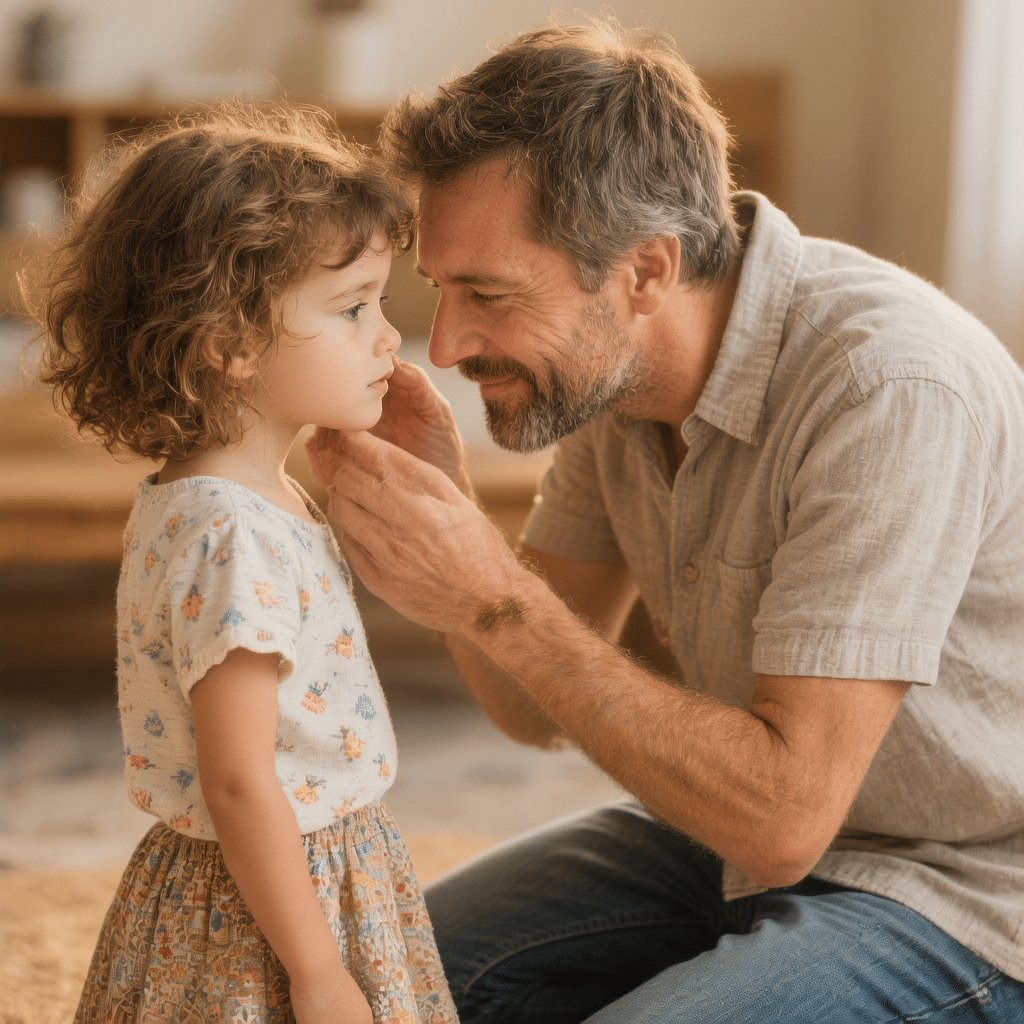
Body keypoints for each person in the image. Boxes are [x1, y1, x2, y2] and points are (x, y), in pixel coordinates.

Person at [305, 17, 1024, 1024]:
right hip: (730, 839)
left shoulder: (886, 384)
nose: (450, 341)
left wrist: (496, 593)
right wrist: (444, 514)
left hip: (965, 886)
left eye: (489, 293)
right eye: (440, 288)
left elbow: (781, 816)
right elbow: (530, 709)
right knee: (358, 983)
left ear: (644, 270)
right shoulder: (615, 374)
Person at [26, 103, 457, 1024]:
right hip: (268, 896)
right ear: (227, 342)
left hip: (293, 865)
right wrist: (318, 975)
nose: (388, 336)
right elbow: (238, 779)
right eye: (352, 309)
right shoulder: (233, 535)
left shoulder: (244, 499)